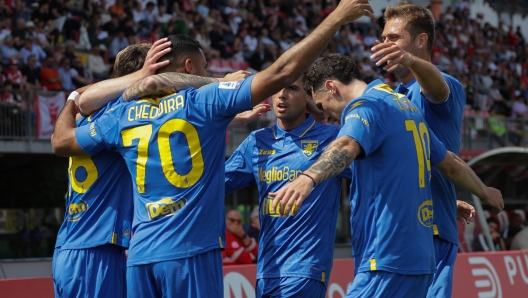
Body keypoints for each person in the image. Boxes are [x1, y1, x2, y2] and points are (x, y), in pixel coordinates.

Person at [50, 1, 377, 296]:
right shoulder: (204, 102)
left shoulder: (122, 115)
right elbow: (281, 71)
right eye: (205, 69)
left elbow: (62, 141)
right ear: (191, 68)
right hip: (189, 253)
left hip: (139, 257)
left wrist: (73, 100)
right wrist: (335, 18)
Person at [270, 53, 504, 297]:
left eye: (321, 106)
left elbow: (347, 146)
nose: (326, 117)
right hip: (420, 263)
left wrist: (307, 178)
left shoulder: (367, 106)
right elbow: (450, 164)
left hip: (384, 259)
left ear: (332, 87)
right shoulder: (404, 106)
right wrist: (484, 191)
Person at [52, 41, 170, 298]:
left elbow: (81, 98)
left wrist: (72, 98)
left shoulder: (86, 116)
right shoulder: (122, 115)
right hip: (97, 250)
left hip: (70, 247)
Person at [369, 2, 467, 296]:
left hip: (431, 229)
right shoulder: (393, 97)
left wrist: (410, 60)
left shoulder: (444, 85)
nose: (385, 44)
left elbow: (436, 87)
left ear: (421, 41)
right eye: (384, 38)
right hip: (393, 232)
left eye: (394, 38)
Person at [225, 74, 349, 297]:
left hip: (305, 271)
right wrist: (221, 121)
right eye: (277, 88)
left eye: (292, 88)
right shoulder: (256, 141)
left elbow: (376, 172)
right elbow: (213, 184)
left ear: (308, 97)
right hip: (265, 272)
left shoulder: (333, 138)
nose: (282, 95)